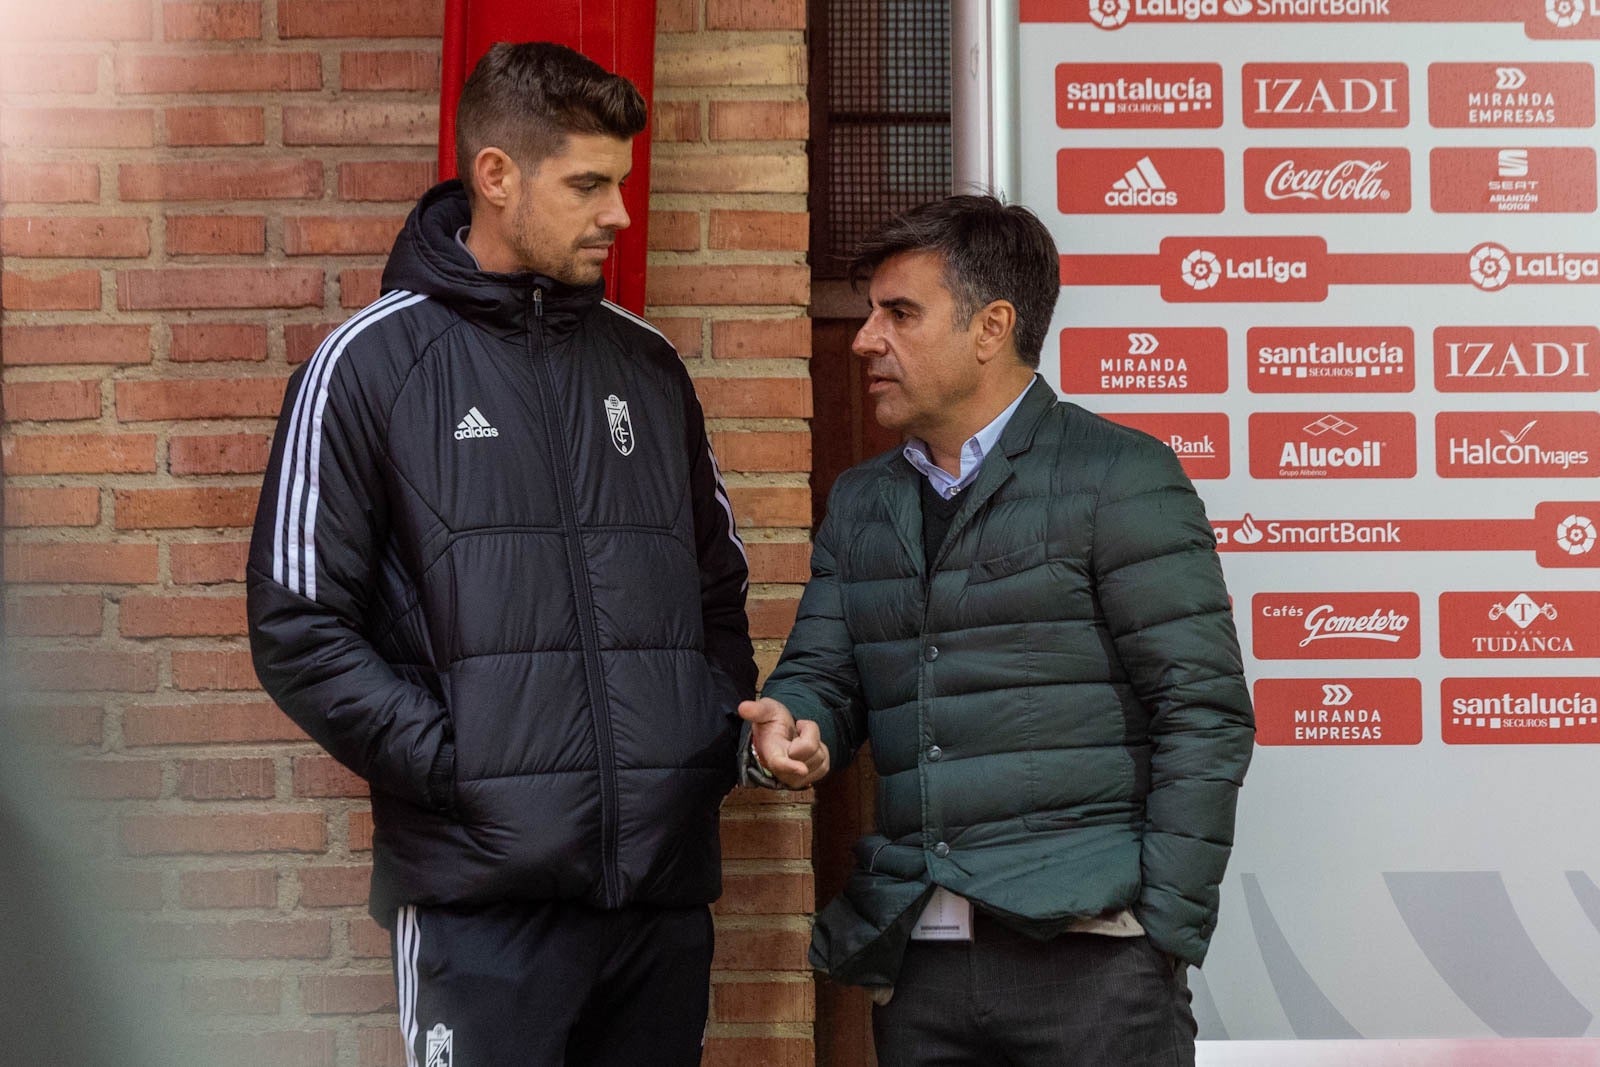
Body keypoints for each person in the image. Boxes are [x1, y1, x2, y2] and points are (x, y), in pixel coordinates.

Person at [247, 41, 756, 1067]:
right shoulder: (370, 364)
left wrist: (694, 745)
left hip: (657, 904)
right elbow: (297, 622)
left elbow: (718, 592)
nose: (616, 211)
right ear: (495, 175)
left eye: (620, 181)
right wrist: (470, 764)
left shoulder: (648, 367)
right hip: (482, 906)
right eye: (588, 183)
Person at [739, 195, 1254, 1065]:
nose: (866, 338)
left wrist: (1156, 933)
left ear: (992, 326)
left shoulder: (1120, 475)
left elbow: (1203, 711)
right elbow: (823, 674)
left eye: (899, 312)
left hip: (1095, 964)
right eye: (870, 312)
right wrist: (789, 727)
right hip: (920, 964)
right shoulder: (865, 502)